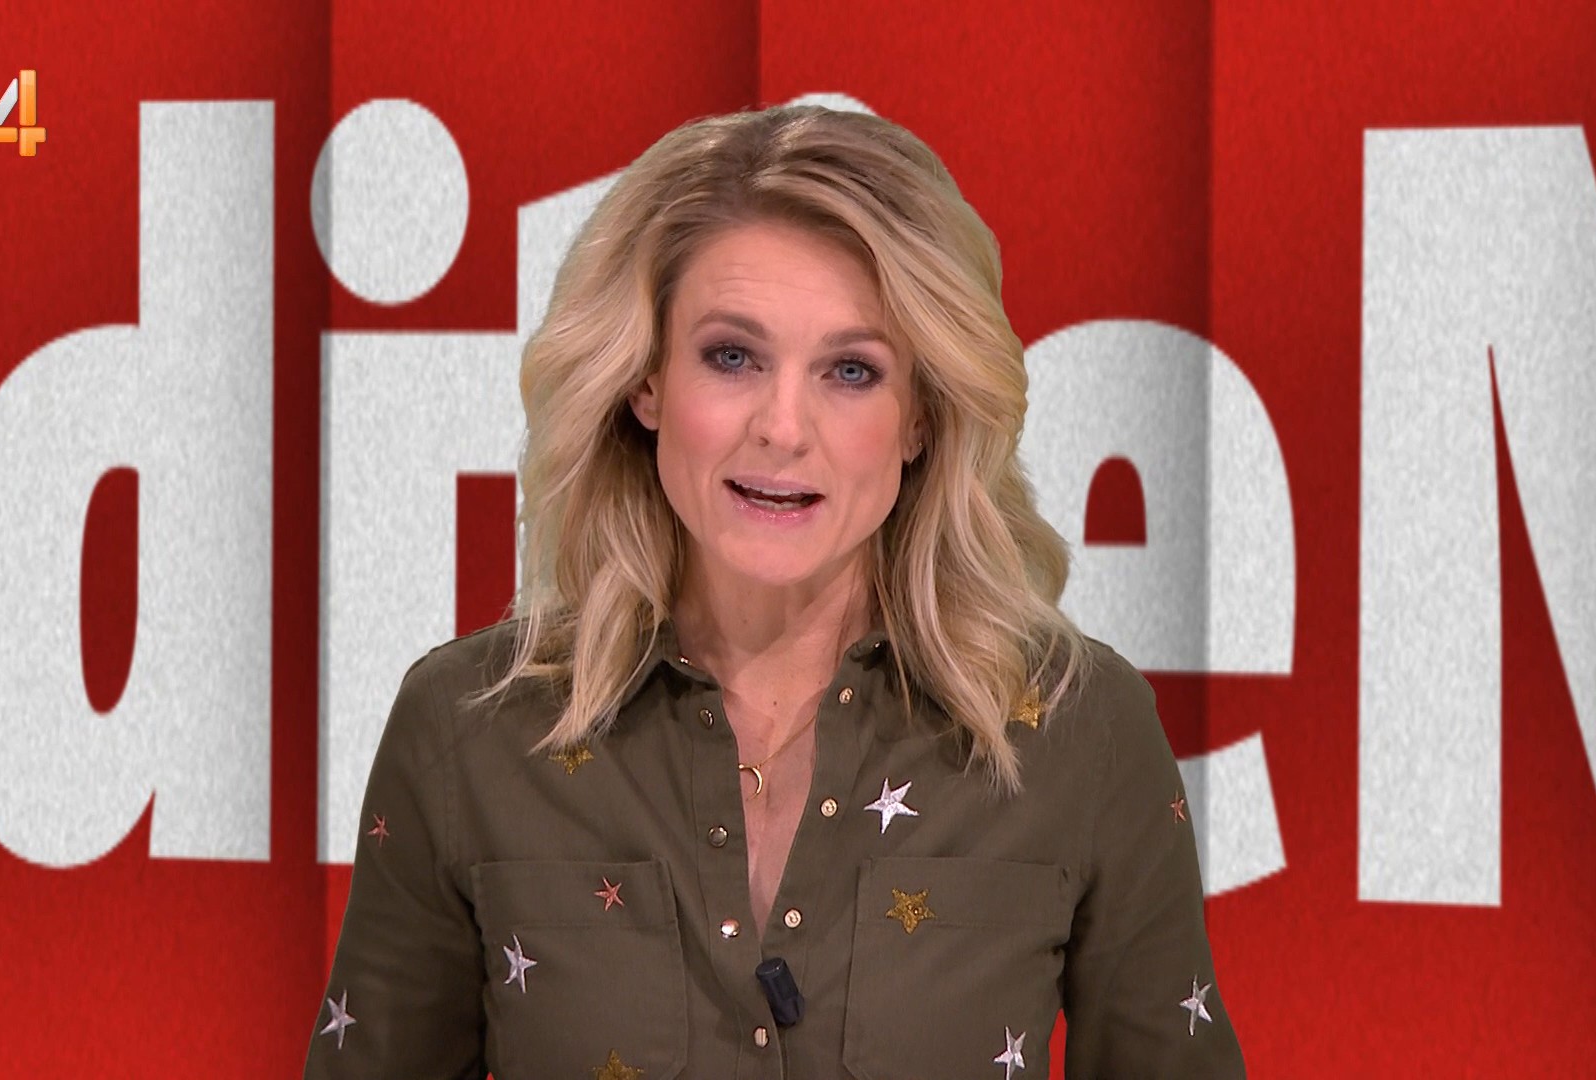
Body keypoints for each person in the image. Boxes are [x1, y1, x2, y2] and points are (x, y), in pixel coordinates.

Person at [303, 102, 1245, 1079]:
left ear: (922, 417)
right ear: (646, 382)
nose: (783, 428)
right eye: (732, 357)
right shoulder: (467, 729)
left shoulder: (1081, 731)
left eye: (851, 370)